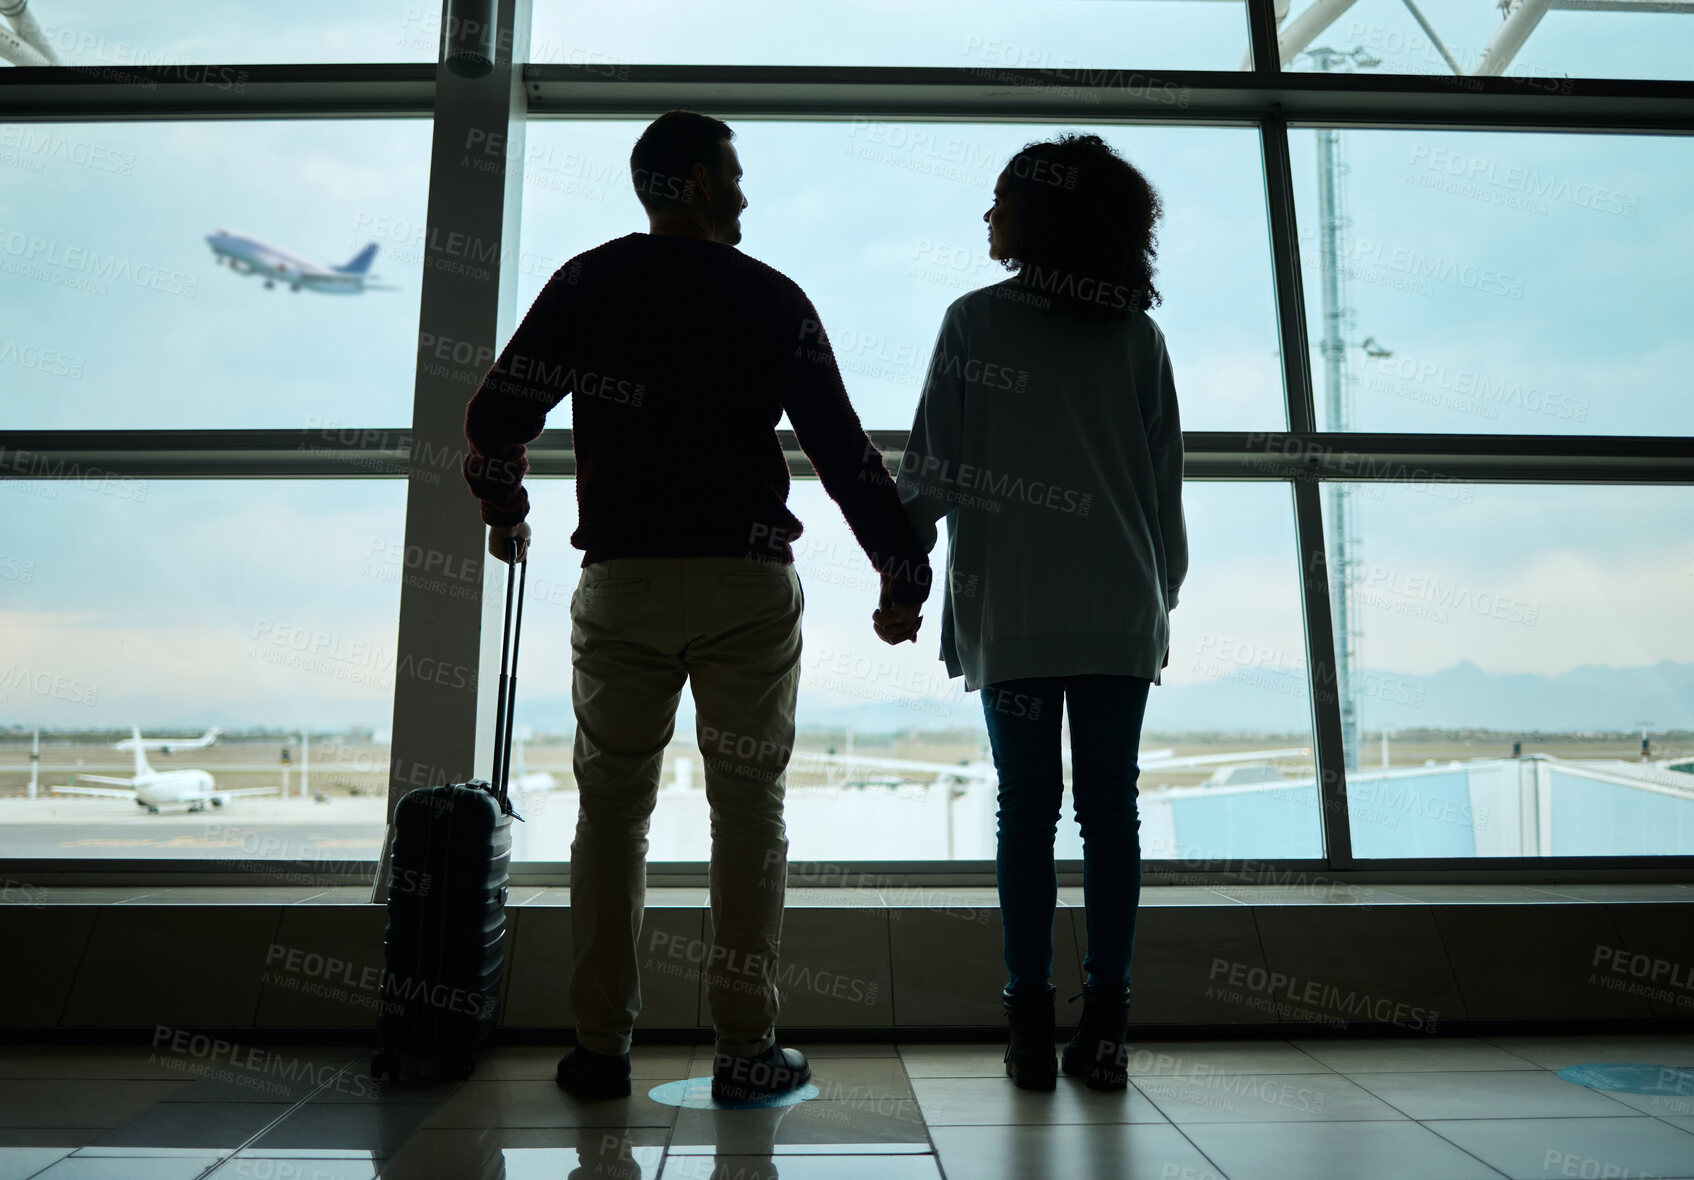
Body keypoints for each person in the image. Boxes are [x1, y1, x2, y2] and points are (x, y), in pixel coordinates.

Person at [461, 109, 931, 1102]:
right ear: (700, 185)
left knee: (610, 818)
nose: (746, 193)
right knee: (748, 815)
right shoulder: (768, 296)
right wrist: (899, 570)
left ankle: (599, 1049)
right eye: (735, 174)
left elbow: (495, 417)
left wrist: (505, 505)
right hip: (743, 582)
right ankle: (744, 1047)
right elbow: (843, 456)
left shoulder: (587, 282)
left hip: (622, 579)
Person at [881, 133, 1187, 1091]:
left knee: (1026, 815)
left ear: (1041, 216)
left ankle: (1026, 1031)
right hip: (1117, 611)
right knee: (1111, 817)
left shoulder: (974, 323)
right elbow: (1164, 493)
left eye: (1001, 198)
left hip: (1013, 613)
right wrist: (1157, 595)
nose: (988, 215)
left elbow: (928, 477)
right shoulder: (1138, 337)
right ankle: (1106, 1026)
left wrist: (895, 564)